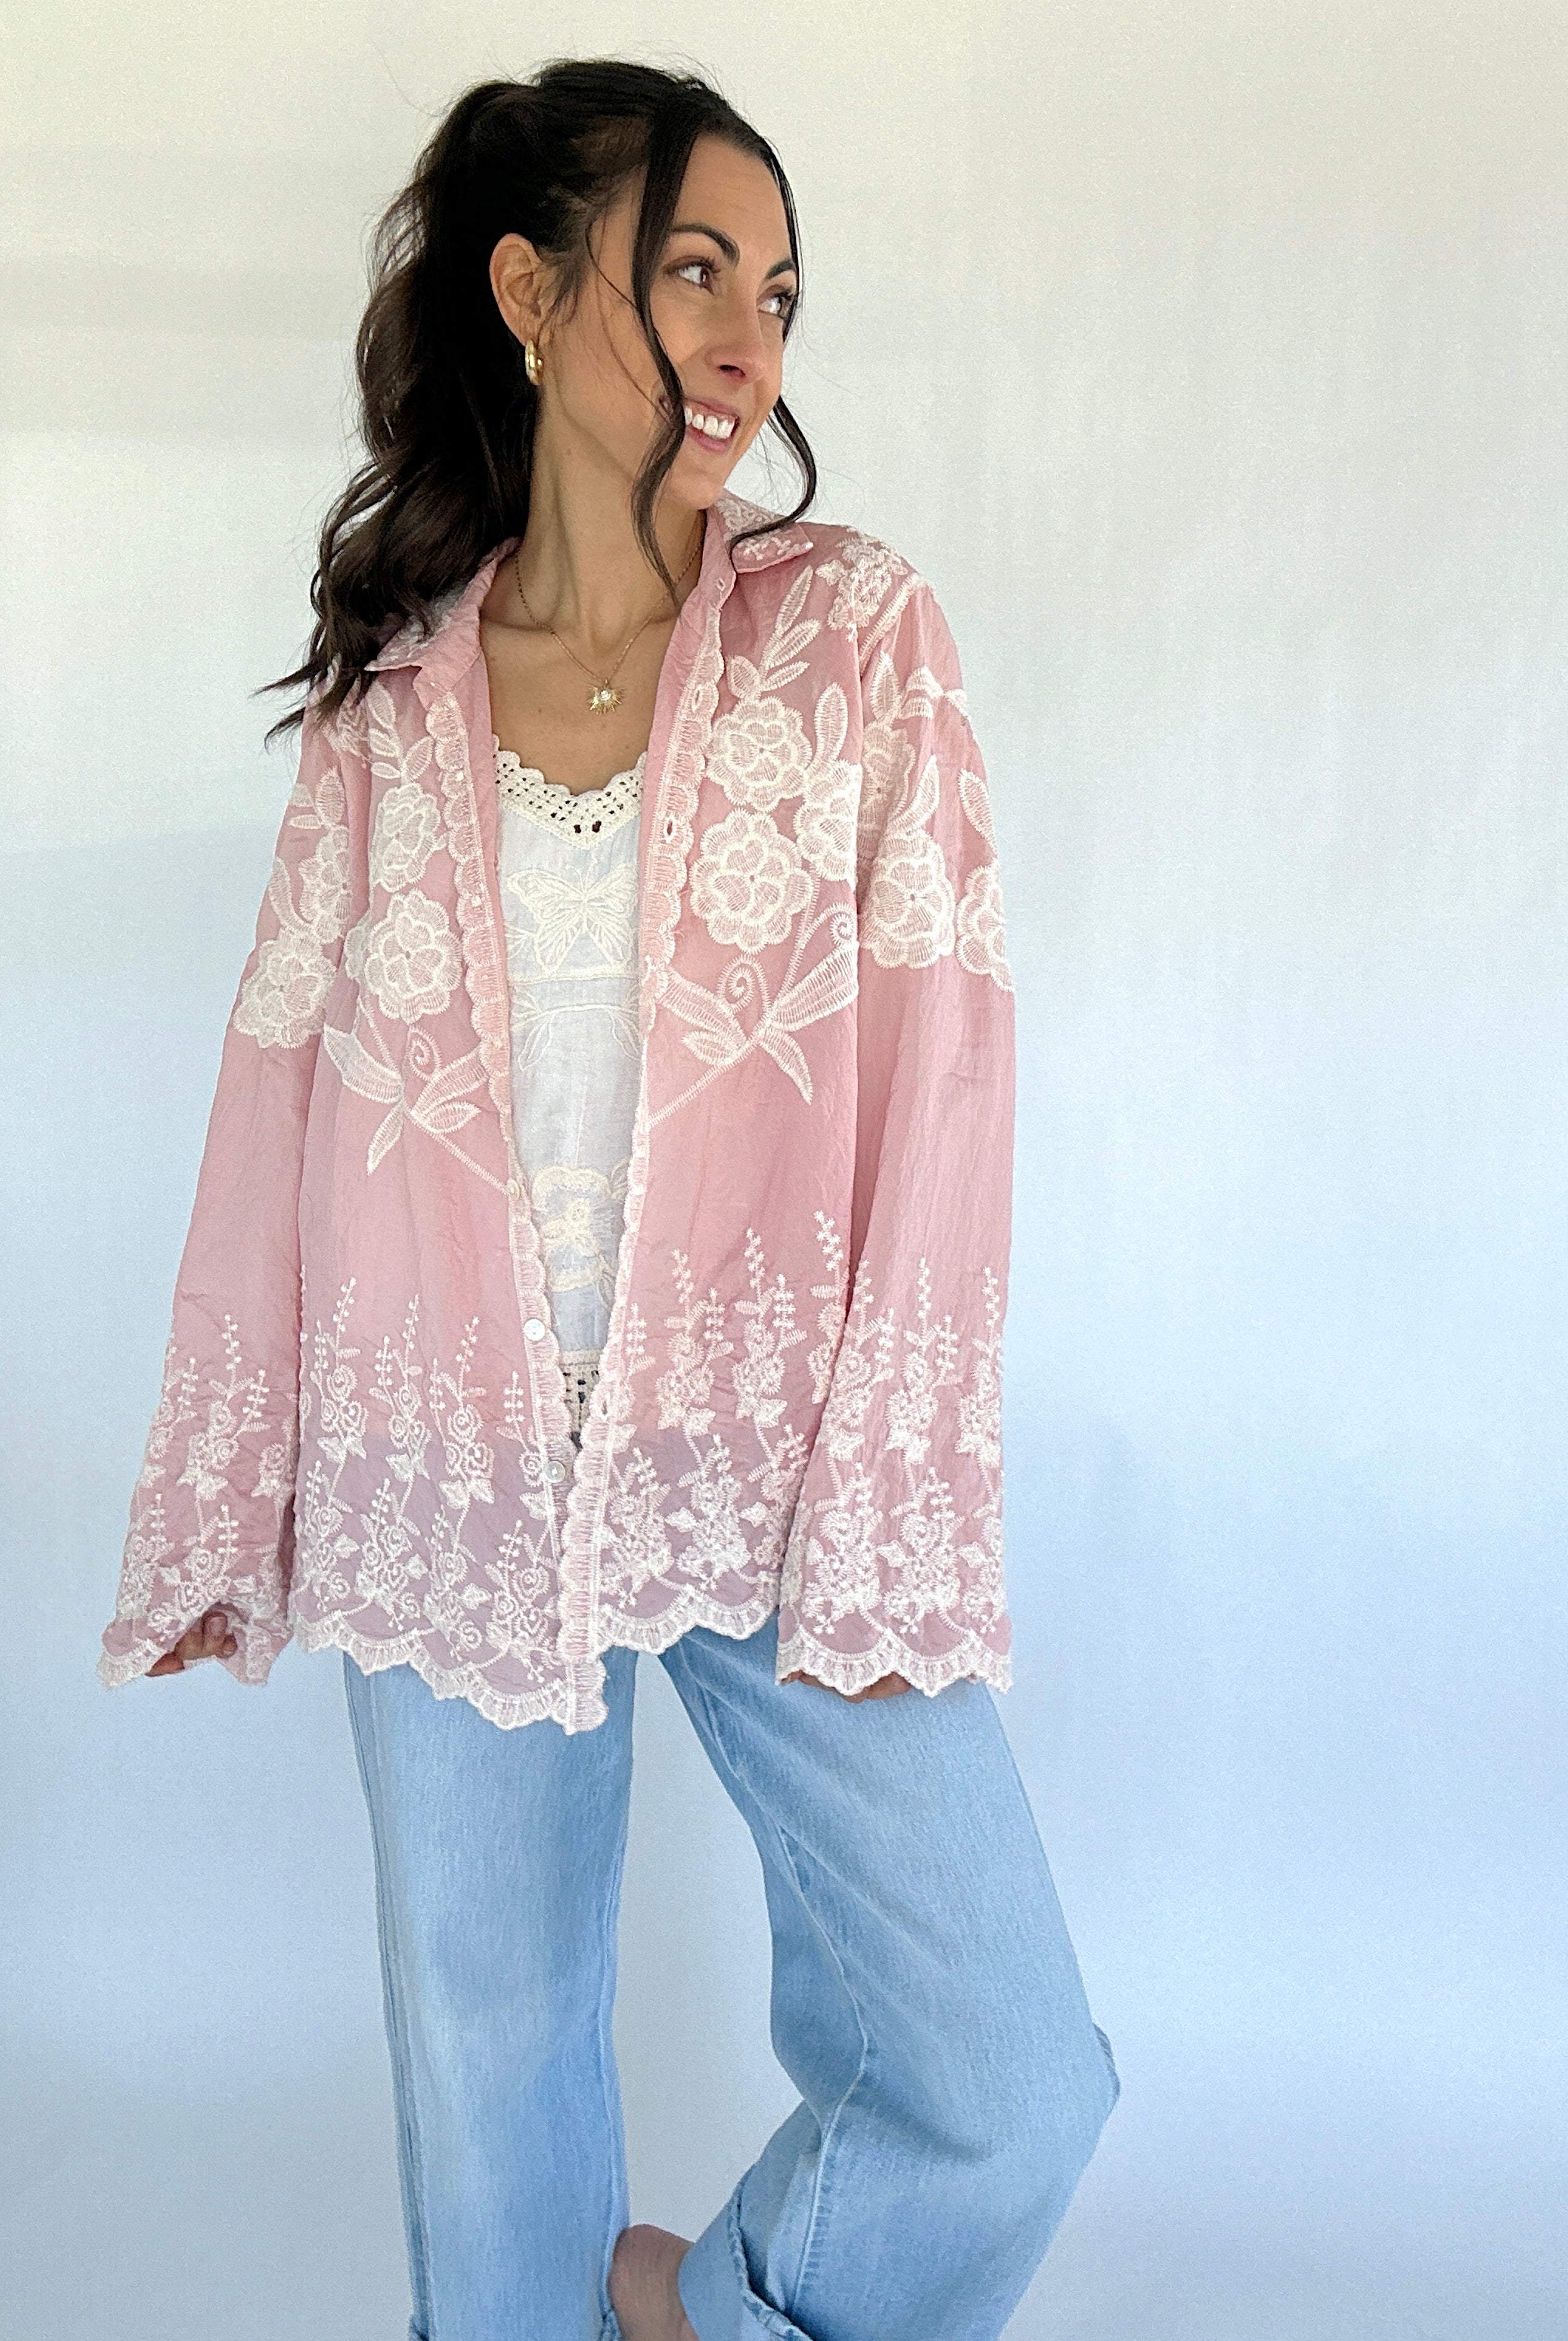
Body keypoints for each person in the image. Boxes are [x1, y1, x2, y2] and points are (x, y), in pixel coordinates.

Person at [98, 60, 1120, 2341]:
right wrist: (230, 1488)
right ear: (534, 292)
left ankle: (706, 2312)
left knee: (1006, 2080)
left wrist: (892, 1470)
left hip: (771, 1452)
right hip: (441, 1461)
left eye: (780, 293)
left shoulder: (851, 641)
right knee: (491, 2111)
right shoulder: (386, 709)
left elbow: (949, 1072)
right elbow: (273, 1103)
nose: (750, 341)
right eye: (695, 272)